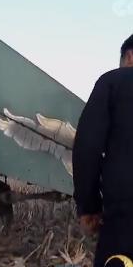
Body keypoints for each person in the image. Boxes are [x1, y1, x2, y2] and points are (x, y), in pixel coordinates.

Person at [73, 34, 133, 267]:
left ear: (129, 56)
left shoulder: (113, 82)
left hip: (125, 219)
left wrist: (88, 207)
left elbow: (87, 147)